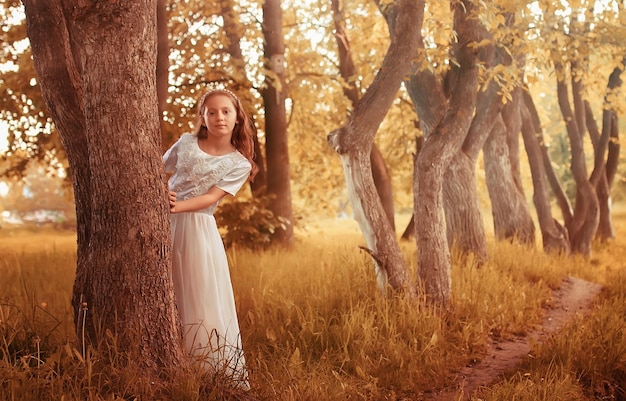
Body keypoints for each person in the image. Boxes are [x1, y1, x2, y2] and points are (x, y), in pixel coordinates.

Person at [162, 88, 257, 389]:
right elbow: (156, 170)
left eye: (226, 111)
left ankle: (206, 371)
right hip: (163, 224)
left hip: (199, 231)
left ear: (237, 117)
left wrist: (175, 205)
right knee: (167, 290)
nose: (219, 117)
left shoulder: (239, 163)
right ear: (202, 117)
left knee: (199, 294)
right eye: (212, 111)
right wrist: (161, 194)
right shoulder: (186, 143)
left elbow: (210, 198)